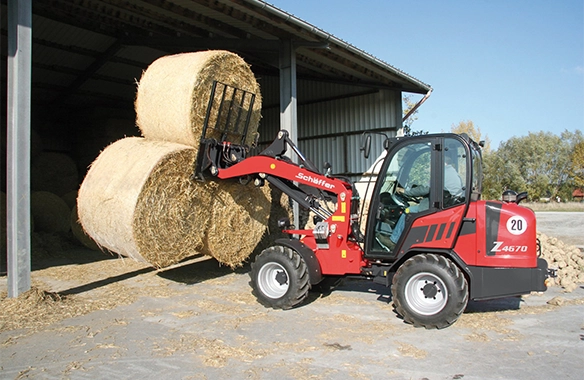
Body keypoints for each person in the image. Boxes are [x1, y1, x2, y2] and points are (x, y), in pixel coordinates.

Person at [385, 156, 463, 250]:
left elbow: (425, 189)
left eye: (431, 162)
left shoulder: (441, 173)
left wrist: (405, 191)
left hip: (438, 207)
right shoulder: (452, 172)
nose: (430, 165)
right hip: (446, 205)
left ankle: (394, 241)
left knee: (407, 211)